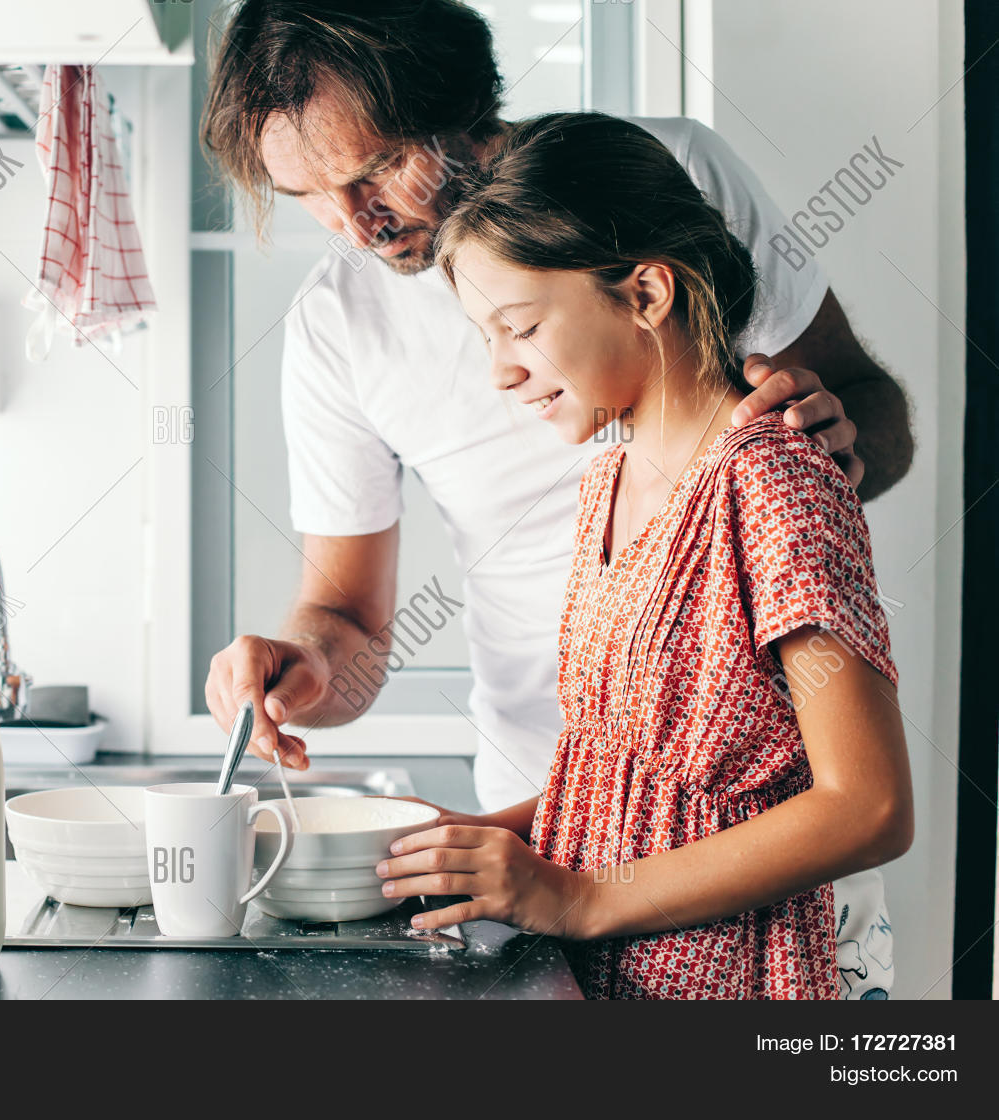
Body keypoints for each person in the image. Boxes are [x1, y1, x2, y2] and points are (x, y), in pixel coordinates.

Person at [199, 0, 912, 998]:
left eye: (369, 172)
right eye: (307, 195)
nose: (350, 226)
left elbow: (866, 800)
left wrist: (816, 468)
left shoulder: (671, 191)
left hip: (740, 899)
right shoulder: (600, 476)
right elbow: (355, 622)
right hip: (560, 828)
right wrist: (314, 667)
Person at [375, 112, 912, 999]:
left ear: (647, 295)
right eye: (486, 338)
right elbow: (620, 782)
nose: (501, 373)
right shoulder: (606, 483)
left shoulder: (774, 481)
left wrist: (578, 899)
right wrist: (464, 845)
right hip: (619, 983)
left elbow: (870, 806)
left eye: (520, 327)